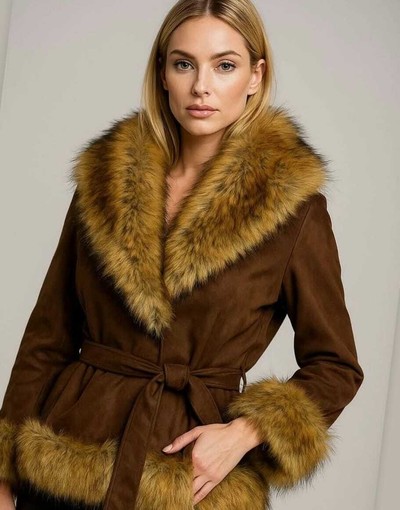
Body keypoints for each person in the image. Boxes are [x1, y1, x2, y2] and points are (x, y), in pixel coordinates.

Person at [0, 0, 364, 509]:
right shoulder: (104, 181)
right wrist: (3, 475)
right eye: (184, 63)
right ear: (162, 73)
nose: (201, 86)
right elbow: (47, 338)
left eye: (225, 65)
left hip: (194, 481)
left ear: (256, 76)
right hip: (67, 464)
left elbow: (336, 366)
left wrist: (243, 434)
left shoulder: (293, 208)